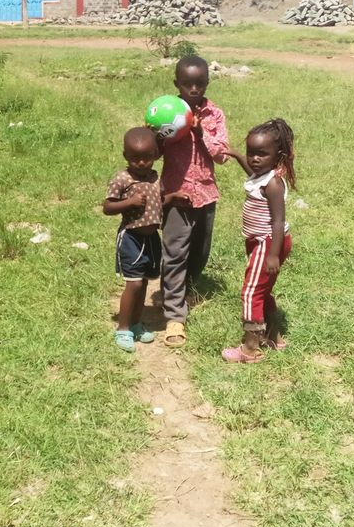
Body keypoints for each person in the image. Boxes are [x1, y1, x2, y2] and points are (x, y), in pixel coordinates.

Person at [158, 55, 230, 348]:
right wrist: (157, 135)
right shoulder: (166, 112)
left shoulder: (215, 114)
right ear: (177, 83)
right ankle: (175, 316)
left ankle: (182, 288)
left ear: (207, 82)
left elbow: (222, 155)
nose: (194, 89)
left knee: (200, 252)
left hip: (206, 194)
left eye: (200, 83)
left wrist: (201, 134)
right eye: (187, 84)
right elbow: (152, 153)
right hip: (177, 196)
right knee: (175, 253)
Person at [219, 119, 297, 363]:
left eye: (262, 154)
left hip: (268, 242)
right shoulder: (262, 175)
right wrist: (236, 155)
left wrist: (272, 254)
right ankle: (274, 336)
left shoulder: (273, 183)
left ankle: (250, 349)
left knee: (251, 292)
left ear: (278, 155)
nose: (254, 159)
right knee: (263, 290)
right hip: (260, 242)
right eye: (250, 152)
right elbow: (253, 174)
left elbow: (278, 221)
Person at [103, 127, 186, 352]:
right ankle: (123, 329)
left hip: (151, 239)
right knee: (134, 283)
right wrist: (128, 203)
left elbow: (158, 201)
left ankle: (136, 324)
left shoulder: (154, 177)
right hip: (131, 237)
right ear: (125, 156)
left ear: (156, 155)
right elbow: (107, 207)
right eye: (134, 158)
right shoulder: (122, 178)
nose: (141, 163)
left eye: (147, 158)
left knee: (145, 283)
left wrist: (173, 197)